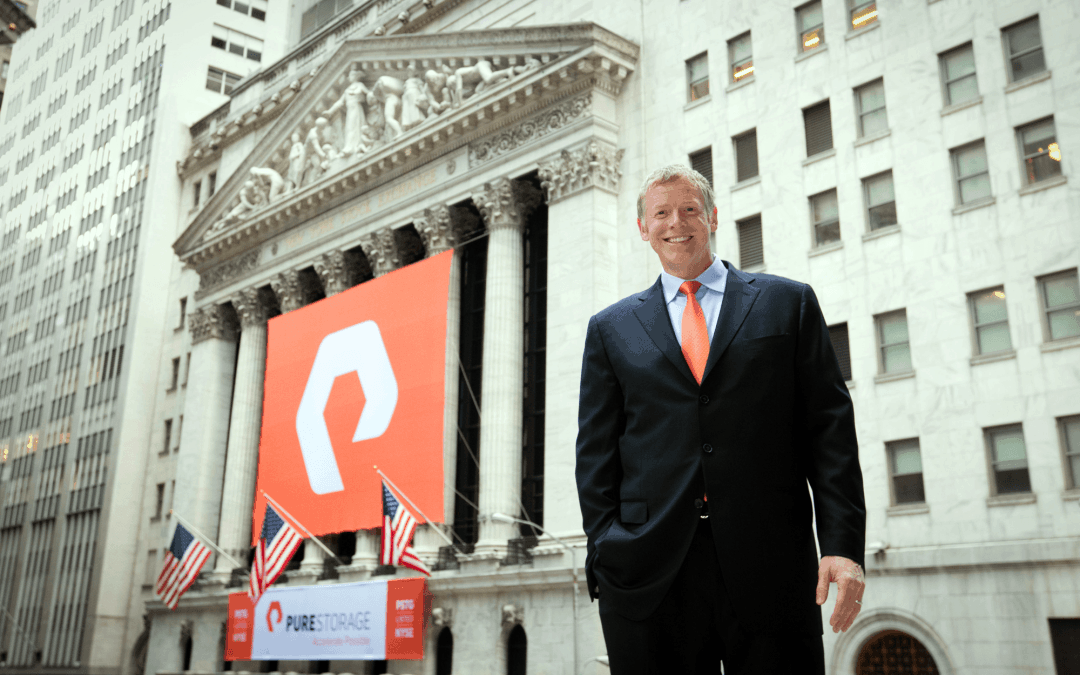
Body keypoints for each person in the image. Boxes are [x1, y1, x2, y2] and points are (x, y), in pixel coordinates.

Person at [575, 165, 866, 674]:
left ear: (711, 216)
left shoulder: (787, 303)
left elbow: (830, 432)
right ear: (643, 228)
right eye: (660, 213)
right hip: (650, 574)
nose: (676, 223)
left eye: (689, 209)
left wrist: (841, 546)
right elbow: (595, 454)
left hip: (771, 562)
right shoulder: (610, 329)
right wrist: (607, 547)